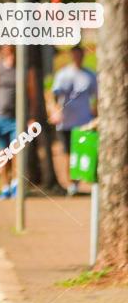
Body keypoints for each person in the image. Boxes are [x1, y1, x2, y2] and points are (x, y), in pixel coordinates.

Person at [0, 45, 38, 200]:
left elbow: (32, 94)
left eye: (11, 49)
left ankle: (16, 185)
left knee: (17, 152)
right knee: (2, 154)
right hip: (1, 117)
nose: (9, 52)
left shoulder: (25, 69)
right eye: (6, 49)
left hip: (19, 119)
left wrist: (32, 117)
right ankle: (5, 187)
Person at [50, 45, 97, 196]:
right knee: (67, 153)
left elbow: (96, 96)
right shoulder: (63, 74)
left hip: (84, 121)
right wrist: (56, 111)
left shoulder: (90, 75)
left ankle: (76, 183)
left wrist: (95, 113)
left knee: (80, 152)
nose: (78, 57)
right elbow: (54, 95)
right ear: (72, 56)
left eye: (80, 55)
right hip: (66, 121)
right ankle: (70, 184)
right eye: (75, 55)